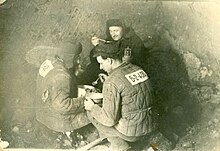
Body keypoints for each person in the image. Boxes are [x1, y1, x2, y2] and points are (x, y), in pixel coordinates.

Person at [84, 43, 157, 151]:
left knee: (92, 111)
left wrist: (92, 107)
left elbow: (110, 120)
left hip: (131, 133)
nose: (100, 67)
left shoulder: (111, 82)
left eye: (101, 63)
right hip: (150, 126)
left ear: (109, 60)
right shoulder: (137, 68)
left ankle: (118, 144)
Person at [26, 43, 91, 146]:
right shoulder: (62, 76)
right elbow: (63, 106)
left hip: (42, 112)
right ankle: (67, 133)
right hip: (55, 120)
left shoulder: (49, 62)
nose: (78, 61)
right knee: (92, 112)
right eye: (76, 57)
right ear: (71, 57)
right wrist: (85, 101)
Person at [79, 19, 146, 89]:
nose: (113, 34)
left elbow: (141, 62)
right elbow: (97, 59)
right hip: (111, 67)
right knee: (91, 68)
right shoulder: (110, 40)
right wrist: (97, 46)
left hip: (127, 69)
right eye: (111, 31)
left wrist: (130, 60)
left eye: (116, 31)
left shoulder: (135, 41)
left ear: (123, 29)